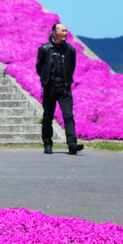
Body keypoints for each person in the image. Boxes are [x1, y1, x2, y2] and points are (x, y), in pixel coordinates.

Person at [36, 23, 85, 155]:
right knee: (47, 117)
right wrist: (46, 80)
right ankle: (47, 144)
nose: (65, 33)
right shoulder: (45, 49)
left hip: (64, 88)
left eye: (66, 31)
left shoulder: (70, 49)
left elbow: (72, 66)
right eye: (62, 31)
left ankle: (72, 145)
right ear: (54, 33)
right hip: (49, 88)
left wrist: (66, 80)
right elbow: (39, 68)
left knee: (68, 116)